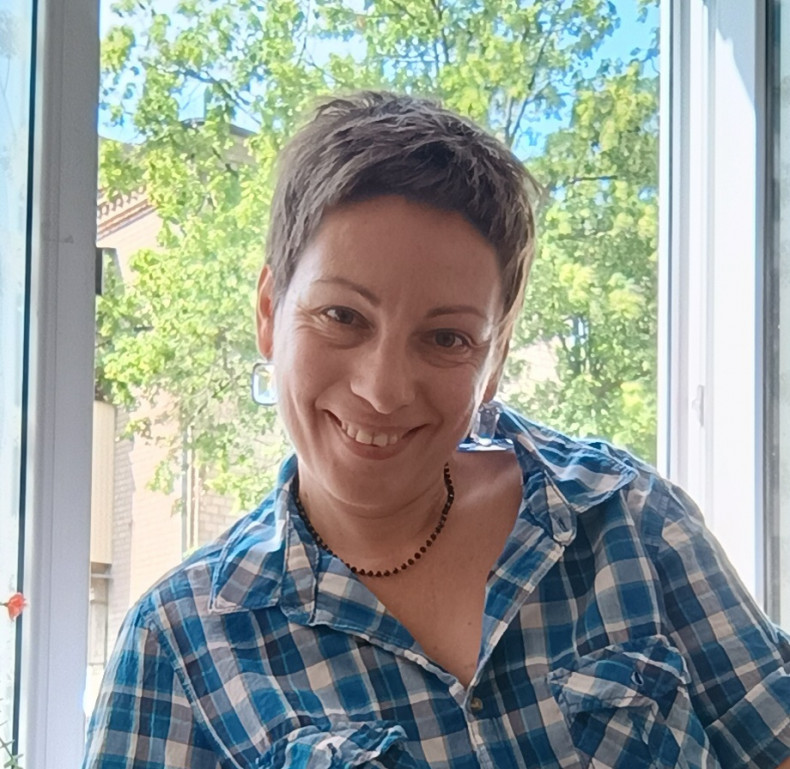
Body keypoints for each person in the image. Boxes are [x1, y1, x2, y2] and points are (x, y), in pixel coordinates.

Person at [83, 91, 790, 769]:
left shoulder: (626, 517)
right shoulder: (179, 647)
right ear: (269, 312)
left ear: (494, 358)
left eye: (447, 337)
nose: (383, 388)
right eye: (342, 316)